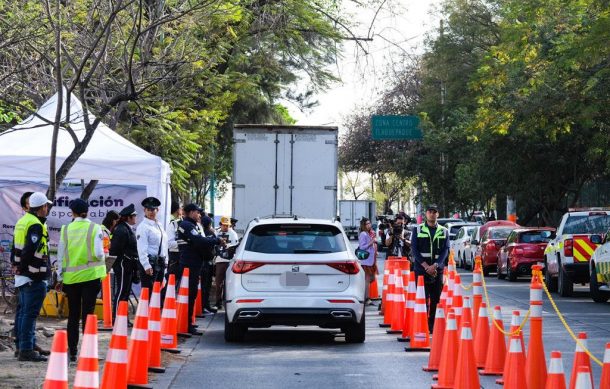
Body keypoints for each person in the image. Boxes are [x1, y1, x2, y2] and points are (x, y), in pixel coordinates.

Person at [56, 198, 106, 361]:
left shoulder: (65, 229)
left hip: (71, 279)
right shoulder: (95, 228)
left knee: (73, 315)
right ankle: (88, 351)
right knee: (88, 314)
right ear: (87, 211)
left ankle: (72, 352)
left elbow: (60, 255)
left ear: (72, 212)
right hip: (91, 277)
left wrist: (59, 276)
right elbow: (99, 253)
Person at [11, 191, 51, 362]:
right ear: (42, 207)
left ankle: (22, 346)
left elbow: (15, 246)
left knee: (22, 313)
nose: (47, 208)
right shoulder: (35, 224)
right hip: (32, 275)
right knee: (29, 314)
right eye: (46, 206)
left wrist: (16, 265)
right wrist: (22, 267)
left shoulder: (22, 221)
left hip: (23, 275)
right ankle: (26, 349)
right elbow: (29, 249)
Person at [177, 204, 223, 335]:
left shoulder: (194, 225)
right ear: (191, 212)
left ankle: (188, 323)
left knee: (192, 295)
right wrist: (216, 240)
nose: (199, 215)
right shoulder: (186, 225)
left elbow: (200, 241)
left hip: (196, 263)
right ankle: (186, 324)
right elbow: (199, 241)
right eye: (198, 213)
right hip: (189, 264)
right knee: (189, 295)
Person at [410, 204, 449, 332]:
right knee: (423, 298)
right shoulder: (418, 229)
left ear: (438, 214)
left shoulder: (444, 231)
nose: (432, 214)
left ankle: (432, 324)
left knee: (436, 298)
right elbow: (414, 250)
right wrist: (426, 266)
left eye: (434, 212)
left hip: (437, 270)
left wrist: (436, 265)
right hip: (421, 270)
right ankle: (423, 324)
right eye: (430, 211)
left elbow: (445, 251)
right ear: (426, 214)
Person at [109, 204, 138, 322]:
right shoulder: (121, 230)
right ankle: (117, 317)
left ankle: (122, 317)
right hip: (122, 264)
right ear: (129, 217)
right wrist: (124, 259)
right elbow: (115, 249)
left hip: (128, 264)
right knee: (121, 291)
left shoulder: (126, 228)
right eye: (134, 216)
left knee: (125, 292)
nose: (136, 217)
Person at [136, 197, 168, 296]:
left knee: (157, 293)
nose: (151, 212)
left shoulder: (159, 225)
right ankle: (146, 312)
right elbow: (141, 248)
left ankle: (155, 311)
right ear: (144, 210)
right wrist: (146, 265)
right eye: (148, 209)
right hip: (150, 263)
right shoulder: (143, 227)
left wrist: (166, 261)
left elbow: (163, 245)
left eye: (153, 209)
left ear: (157, 210)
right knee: (148, 293)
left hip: (160, 262)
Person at [214, 216, 239, 310]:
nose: (226, 227)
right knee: (218, 283)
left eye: (227, 225)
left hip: (229, 261)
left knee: (228, 283)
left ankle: (226, 302)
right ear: (221, 224)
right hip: (219, 261)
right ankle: (217, 302)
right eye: (224, 225)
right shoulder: (217, 232)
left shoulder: (233, 234)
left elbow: (234, 247)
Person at [358, 218, 378, 305]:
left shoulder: (369, 233)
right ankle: (366, 298)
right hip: (366, 261)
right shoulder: (363, 234)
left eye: (369, 223)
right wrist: (371, 242)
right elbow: (362, 247)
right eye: (367, 224)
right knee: (367, 279)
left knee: (371, 278)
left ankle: (364, 295)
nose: (369, 225)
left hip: (371, 260)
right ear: (363, 225)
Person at [200, 215, 217, 314]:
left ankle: (205, 305)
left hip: (204, 262)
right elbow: (215, 245)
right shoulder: (210, 233)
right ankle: (204, 305)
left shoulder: (202, 233)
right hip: (207, 262)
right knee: (206, 285)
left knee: (205, 285)